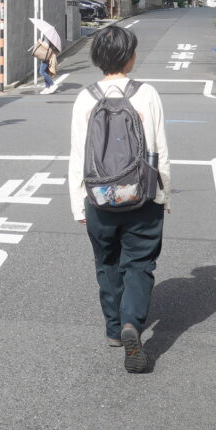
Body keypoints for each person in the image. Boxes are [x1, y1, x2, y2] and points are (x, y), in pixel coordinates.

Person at [68, 25, 171, 373]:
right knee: (139, 264)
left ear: (98, 58)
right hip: (141, 195)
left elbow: (77, 155)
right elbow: (159, 150)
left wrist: (77, 201)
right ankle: (132, 324)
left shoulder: (86, 97)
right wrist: (163, 193)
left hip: (98, 198)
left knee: (107, 262)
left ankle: (115, 330)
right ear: (129, 57)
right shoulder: (147, 94)